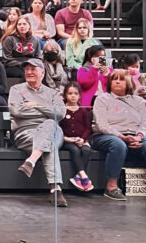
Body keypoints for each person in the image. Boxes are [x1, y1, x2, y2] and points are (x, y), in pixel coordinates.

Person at [9, 58, 68, 207]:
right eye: (26, 69)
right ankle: (55, 189)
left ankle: (31, 160)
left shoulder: (53, 93)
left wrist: (36, 105)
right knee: (50, 141)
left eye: (33, 69)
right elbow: (17, 111)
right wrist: (47, 111)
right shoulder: (16, 89)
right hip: (26, 133)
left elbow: (59, 114)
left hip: (52, 130)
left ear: (42, 72)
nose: (29, 72)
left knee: (49, 124)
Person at [91, 69, 146, 201]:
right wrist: (121, 137)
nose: (117, 81)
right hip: (107, 136)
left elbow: (144, 122)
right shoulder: (102, 98)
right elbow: (102, 125)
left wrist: (139, 136)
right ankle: (111, 187)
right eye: (114, 79)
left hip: (134, 135)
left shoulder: (138, 101)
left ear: (128, 83)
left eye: (121, 79)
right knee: (118, 145)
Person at [59, 82, 94, 192]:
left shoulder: (83, 111)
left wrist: (83, 139)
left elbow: (87, 128)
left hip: (80, 139)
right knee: (74, 150)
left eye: (75, 93)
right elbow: (58, 127)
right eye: (70, 93)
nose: (73, 96)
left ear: (79, 95)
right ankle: (84, 176)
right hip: (66, 140)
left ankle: (77, 177)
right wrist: (66, 138)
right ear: (65, 95)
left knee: (86, 150)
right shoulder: (61, 110)